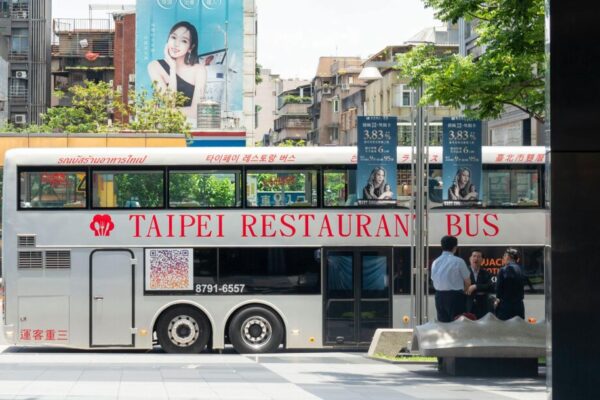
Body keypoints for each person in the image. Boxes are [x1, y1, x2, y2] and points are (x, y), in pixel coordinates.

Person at [147, 21, 207, 121]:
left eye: (184, 41)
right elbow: (170, 103)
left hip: (191, 128)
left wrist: (164, 112)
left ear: (190, 48)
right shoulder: (154, 66)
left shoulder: (199, 70)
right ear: (168, 39)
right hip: (168, 128)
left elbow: (196, 111)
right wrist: (172, 68)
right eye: (173, 37)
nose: (176, 44)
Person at [431, 235, 472, 322]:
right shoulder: (459, 261)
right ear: (455, 247)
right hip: (456, 297)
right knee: (457, 324)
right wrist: (463, 292)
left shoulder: (435, 262)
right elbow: (468, 282)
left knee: (443, 325)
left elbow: (433, 279)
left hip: (439, 296)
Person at [494, 248, 525, 320]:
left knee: (505, 329)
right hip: (519, 306)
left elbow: (498, 289)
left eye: (504, 256)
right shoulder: (521, 269)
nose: (503, 258)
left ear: (508, 256)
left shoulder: (503, 270)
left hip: (506, 306)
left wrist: (497, 300)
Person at [465, 249, 494, 319]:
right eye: (474, 256)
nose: (476, 258)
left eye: (478, 257)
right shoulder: (464, 272)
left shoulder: (486, 273)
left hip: (483, 306)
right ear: (470, 259)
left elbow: (490, 286)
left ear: (482, 260)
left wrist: (476, 286)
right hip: (467, 306)